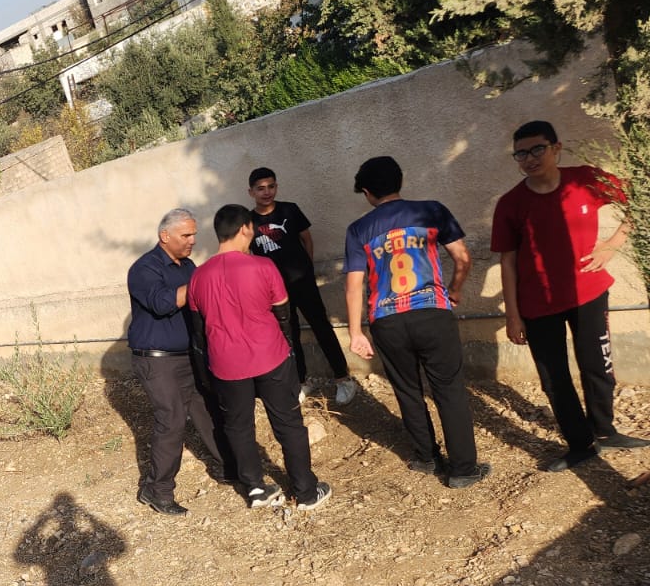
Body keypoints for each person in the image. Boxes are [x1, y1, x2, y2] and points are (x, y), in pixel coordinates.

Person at [491, 119, 648, 471]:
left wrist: (612, 244)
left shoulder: (585, 179)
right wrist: (513, 315)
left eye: (537, 149)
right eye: (521, 154)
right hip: (538, 305)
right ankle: (580, 444)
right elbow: (508, 261)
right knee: (554, 379)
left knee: (598, 366)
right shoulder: (511, 204)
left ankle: (606, 431)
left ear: (556, 148)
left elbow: (638, 199)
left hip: (589, 292)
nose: (530, 159)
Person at [344, 156, 490, 488]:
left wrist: (355, 332)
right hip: (431, 312)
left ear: (367, 192)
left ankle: (426, 458)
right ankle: (463, 469)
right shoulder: (432, 210)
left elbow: (353, 286)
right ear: (400, 180)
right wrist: (454, 289)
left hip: (387, 321)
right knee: (449, 389)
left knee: (407, 390)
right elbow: (462, 257)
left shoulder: (358, 230)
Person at [190, 205, 332, 511]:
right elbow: (283, 313)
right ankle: (306, 492)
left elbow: (198, 332)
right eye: (252, 229)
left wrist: (205, 373)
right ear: (245, 229)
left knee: (238, 427)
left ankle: (255, 489)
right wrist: (289, 350)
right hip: (271, 356)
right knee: (288, 424)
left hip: (226, 365)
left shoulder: (198, 277)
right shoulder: (263, 266)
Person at [126, 208, 235, 516]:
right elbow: (163, 304)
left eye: (194, 234)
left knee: (207, 410)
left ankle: (229, 467)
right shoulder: (144, 268)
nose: (192, 240)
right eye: (186, 235)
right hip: (157, 361)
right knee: (172, 419)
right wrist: (204, 280)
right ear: (165, 236)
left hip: (189, 355)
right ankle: (156, 490)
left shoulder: (187, 266)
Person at [248, 167, 357, 405]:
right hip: (275, 290)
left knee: (321, 327)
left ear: (276, 187)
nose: (267, 192)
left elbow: (306, 238)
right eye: (261, 188)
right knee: (290, 334)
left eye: (271, 186)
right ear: (251, 192)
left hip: (302, 282)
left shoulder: (289, 209)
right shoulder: (248, 222)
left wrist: (306, 267)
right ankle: (301, 380)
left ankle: (343, 377)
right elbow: (250, 254)